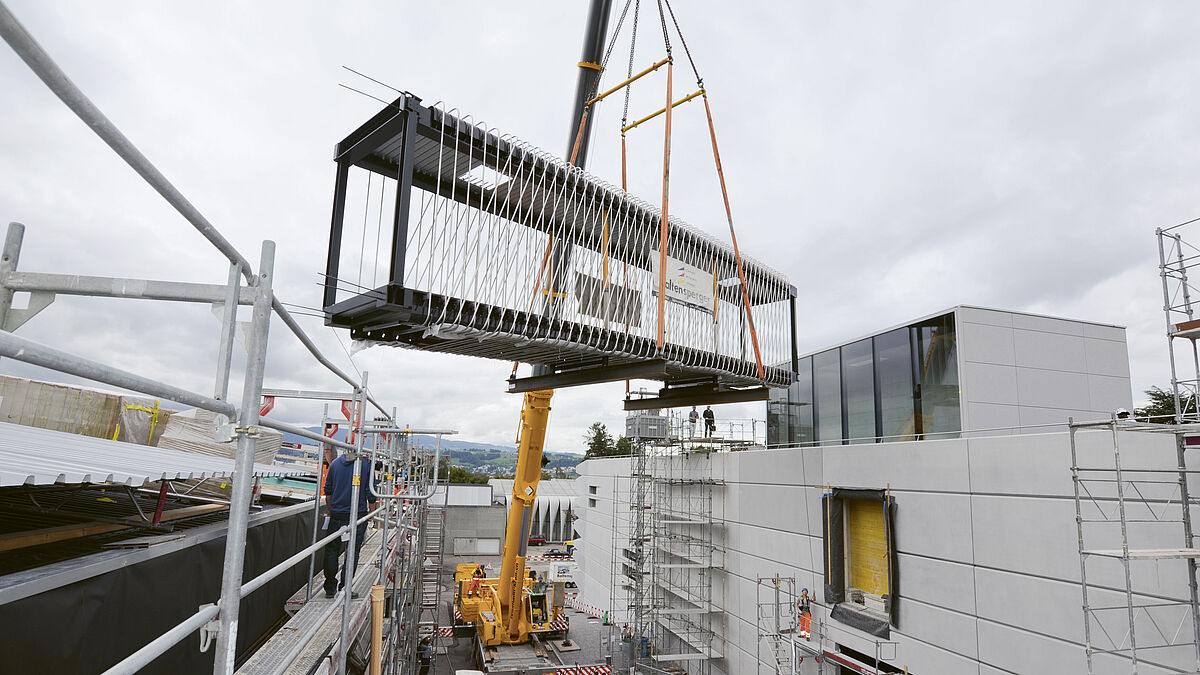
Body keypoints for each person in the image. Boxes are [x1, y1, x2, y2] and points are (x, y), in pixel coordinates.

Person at [322, 450, 377, 599]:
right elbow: (371, 495)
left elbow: (328, 491)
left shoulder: (335, 464)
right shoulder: (366, 465)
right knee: (352, 552)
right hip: (357, 516)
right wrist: (372, 516)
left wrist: (331, 511)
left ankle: (330, 587)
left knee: (332, 551)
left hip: (336, 515)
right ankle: (345, 588)